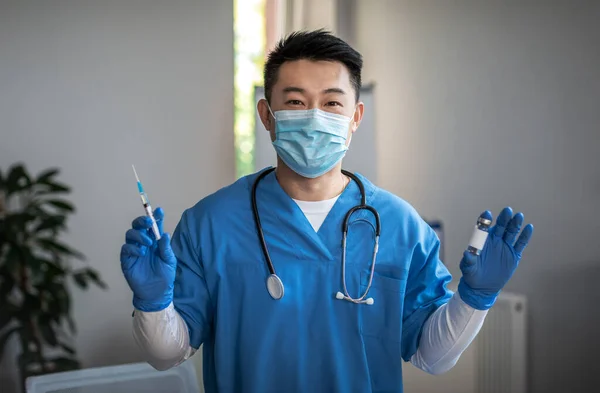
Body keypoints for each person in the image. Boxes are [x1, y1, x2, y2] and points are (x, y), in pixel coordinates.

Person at [120, 30, 534, 393]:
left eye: (332, 104)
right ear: (267, 116)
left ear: (355, 117)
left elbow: (432, 357)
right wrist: (153, 301)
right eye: (296, 101)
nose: (315, 118)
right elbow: (167, 354)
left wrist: (475, 299)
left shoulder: (401, 227)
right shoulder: (210, 224)